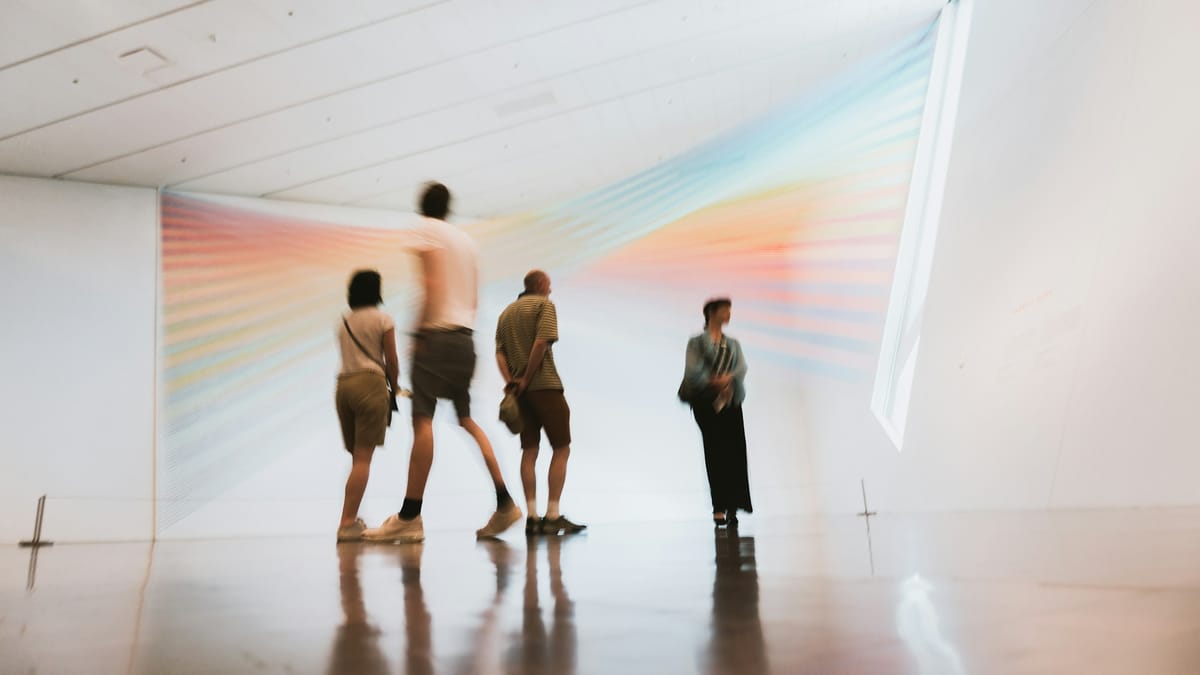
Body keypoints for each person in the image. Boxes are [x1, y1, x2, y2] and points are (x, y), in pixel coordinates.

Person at [364, 183, 521, 543]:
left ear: (423, 206)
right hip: (465, 339)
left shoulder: (425, 230)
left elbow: (431, 283)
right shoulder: (467, 241)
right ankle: (504, 502)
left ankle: (409, 516)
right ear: (449, 207)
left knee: (422, 422)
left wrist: (418, 334)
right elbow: (475, 297)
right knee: (467, 419)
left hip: (435, 337)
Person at [495, 271, 586, 536]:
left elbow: (499, 352)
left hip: (520, 394)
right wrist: (526, 377)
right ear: (543, 286)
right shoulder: (544, 306)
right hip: (545, 385)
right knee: (561, 448)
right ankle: (553, 515)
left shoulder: (507, 312)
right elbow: (542, 343)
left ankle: (532, 516)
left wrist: (512, 381)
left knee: (529, 451)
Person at [335, 270, 400, 542]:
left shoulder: (344, 322)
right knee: (363, 460)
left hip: (344, 386)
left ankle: (351, 518)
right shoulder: (383, 319)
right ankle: (347, 523)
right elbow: (391, 360)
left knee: (356, 459)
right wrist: (394, 388)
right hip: (370, 384)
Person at [681, 298, 752, 526]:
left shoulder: (732, 344)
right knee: (715, 452)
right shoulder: (696, 343)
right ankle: (718, 506)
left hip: (731, 402)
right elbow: (692, 370)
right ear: (711, 312)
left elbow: (741, 367)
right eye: (725, 310)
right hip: (706, 404)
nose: (728, 314)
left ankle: (734, 506)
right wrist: (712, 381)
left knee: (735, 454)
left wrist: (728, 378)